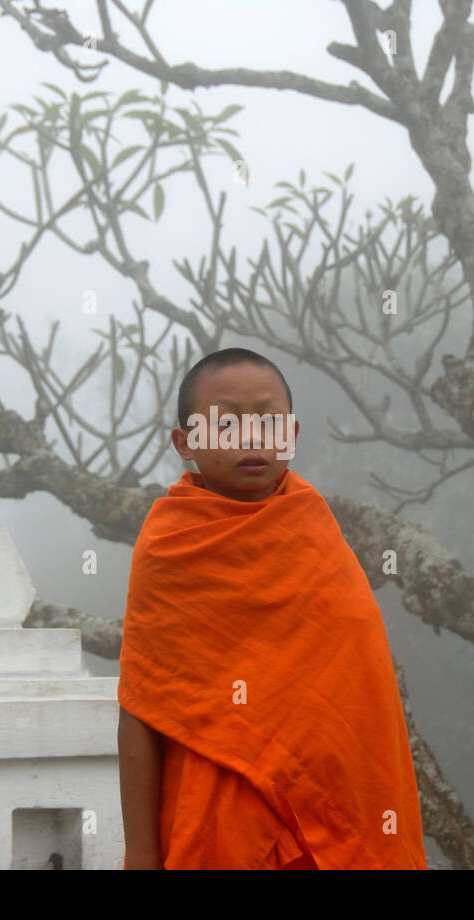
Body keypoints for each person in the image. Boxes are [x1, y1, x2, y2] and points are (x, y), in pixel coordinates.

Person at [117, 347, 427, 869]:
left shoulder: (315, 534)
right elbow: (142, 709)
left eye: (268, 420)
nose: (252, 437)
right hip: (214, 833)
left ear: (293, 433)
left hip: (322, 837)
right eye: (226, 423)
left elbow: (362, 706)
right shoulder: (170, 547)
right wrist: (141, 857)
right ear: (186, 441)